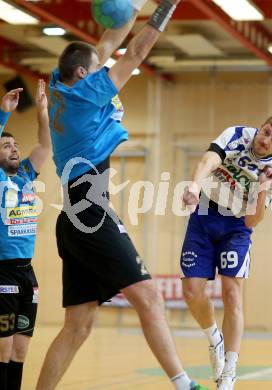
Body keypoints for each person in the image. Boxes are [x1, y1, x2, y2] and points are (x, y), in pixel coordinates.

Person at [35, 1, 209, 390]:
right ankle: (185, 385)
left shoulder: (63, 82)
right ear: (84, 74)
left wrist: (131, 5)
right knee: (149, 297)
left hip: (72, 216)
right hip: (90, 209)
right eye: (96, 69)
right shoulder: (85, 94)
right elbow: (135, 51)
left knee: (77, 325)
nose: (102, 71)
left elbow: (109, 41)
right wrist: (164, 8)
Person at [181, 115, 272, 389]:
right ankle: (214, 340)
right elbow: (209, 160)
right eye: (266, 132)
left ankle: (229, 372)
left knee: (232, 292)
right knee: (191, 291)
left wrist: (262, 191)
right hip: (205, 213)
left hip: (236, 227)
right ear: (261, 126)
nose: (266, 140)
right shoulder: (236, 135)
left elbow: (251, 222)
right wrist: (195, 186)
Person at [0, 80, 50, 390]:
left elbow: (45, 146)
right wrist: (4, 114)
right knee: (3, 348)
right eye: (6, 145)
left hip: (27, 273)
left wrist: (42, 112)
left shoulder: (27, 175)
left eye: (15, 144)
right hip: (2, 271)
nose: (14, 148)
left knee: (20, 348)